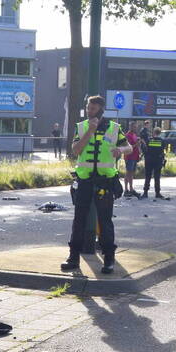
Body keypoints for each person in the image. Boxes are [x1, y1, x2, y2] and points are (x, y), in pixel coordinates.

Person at [61, 95, 129, 275]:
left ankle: (108, 259)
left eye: (92, 108)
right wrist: (90, 131)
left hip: (105, 182)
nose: (89, 110)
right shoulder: (82, 127)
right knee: (79, 220)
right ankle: (73, 257)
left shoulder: (114, 128)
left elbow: (128, 147)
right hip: (84, 181)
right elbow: (76, 150)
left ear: (100, 109)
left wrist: (120, 150)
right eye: (88, 107)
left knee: (105, 221)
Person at [140, 127, 168, 198]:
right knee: (157, 177)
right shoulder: (162, 141)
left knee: (148, 177)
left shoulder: (148, 140)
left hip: (149, 160)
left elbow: (144, 149)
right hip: (158, 161)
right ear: (160, 133)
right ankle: (157, 193)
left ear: (154, 132)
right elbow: (163, 151)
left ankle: (145, 193)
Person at [123, 122, 142, 196]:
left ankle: (131, 189)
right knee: (128, 173)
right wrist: (137, 144)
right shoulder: (128, 135)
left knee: (131, 173)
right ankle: (126, 190)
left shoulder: (134, 135)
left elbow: (136, 146)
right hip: (129, 156)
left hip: (134, 156)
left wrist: (139, 151)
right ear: (130, 127)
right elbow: (128, 147)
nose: (136, 128)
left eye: (136, 127)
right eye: (134, 127)